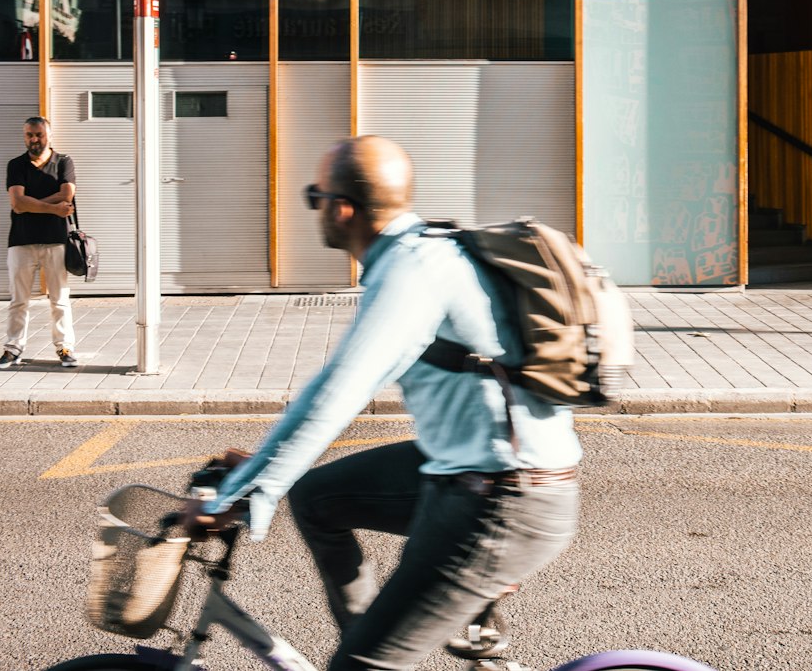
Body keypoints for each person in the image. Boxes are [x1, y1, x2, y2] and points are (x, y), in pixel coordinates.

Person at [191, 135, 581, 671]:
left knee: (359, 667)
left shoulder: (413, 266)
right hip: (480, 472)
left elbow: (338, 390)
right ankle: (377, 637)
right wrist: (265, 471)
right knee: (318, 498)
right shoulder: (423, 251)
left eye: (315, 197)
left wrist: (239, 492)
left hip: (505, 496)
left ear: (342, 208)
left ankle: (372, 657)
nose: (315, 209)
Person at [1, 116, 77, 369]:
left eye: (39, 135)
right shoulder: (16, 165)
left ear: (49, 136)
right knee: (19, 300)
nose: (34, 140)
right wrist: (53, 208)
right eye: (29, 135)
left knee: (59, 299)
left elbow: (67, 194)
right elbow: (17, 203)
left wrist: (31, 203)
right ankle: (13, 348)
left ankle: (65, 347)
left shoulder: (64, 162)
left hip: (55, 240)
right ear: (25, 137)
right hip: (21, 241)